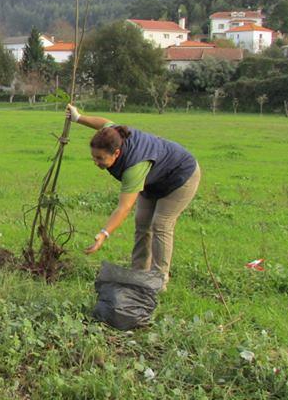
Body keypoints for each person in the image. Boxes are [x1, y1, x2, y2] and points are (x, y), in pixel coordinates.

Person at [66, 103, 201, 290]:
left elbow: (124, 207)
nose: (96, 163)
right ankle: (138, 274)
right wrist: (78, 118)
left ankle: (158, 281)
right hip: (154, 179)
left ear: (116, 153)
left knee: (161, 224)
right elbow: (104, 123)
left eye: (100, 159)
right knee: (142, 222)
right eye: (94, 157)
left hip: (181, 176)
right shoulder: (113, 135)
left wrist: (104, 234)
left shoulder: (133, 167)